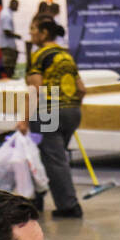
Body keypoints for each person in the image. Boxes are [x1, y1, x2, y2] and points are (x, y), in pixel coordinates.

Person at [22, 16, 84, 218]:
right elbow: (81, 88)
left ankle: (68, 206)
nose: (30, 33)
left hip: (48, 112)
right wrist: (71, 107)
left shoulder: (39, 56)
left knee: (53, 160)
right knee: (52, 157)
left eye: (33, 29)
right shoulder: (66, 56)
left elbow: (36, 89)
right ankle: (36, 199)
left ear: (44, 33)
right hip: (71, 112)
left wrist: (24, 118)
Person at [0, 0, 20, 78]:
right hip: (7, 44)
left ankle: (9, 76)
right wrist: (17, 36)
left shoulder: (7, 13)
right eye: (17, 6)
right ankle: (9, 78)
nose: (18, 8)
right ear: (13, 4)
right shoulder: (6, 15)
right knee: (9, 63)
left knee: (11, 60)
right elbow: (6, 31)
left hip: (8, 43)